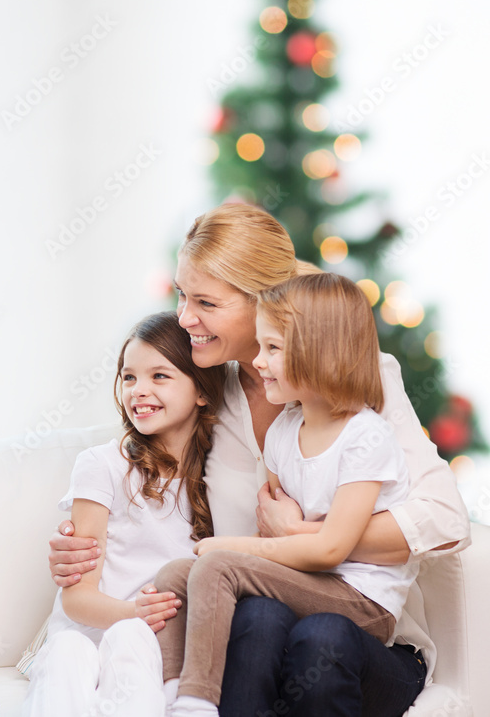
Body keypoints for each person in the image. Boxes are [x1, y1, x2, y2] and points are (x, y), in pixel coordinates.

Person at [48, 203, 470, 717]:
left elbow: (447, 521)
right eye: (182, 295)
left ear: (266, 300)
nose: (185, 318)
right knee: (259, 619)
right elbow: (136, 469)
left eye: (205, 301)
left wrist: (305, 535)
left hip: (359, 642)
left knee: (319, 635)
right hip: (253, 636)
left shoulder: (356, 381)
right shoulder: (205, 392)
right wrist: (84, 548)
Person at [155, 273, 418, 717]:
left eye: (272, 349)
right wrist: (230, 552)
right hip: (309, 585)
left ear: (320, 351)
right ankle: (168, 689)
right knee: (175, 575)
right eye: (260, 346)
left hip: (361, 599)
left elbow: (330, 548)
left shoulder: (364, 437)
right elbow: (273, 540)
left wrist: (223, 549)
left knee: (215, 565)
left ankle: (196, 703)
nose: (257, 361)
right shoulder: (284, 431)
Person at [22, 313, 226, 717]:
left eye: (159, 376)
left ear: (202, 391)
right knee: (69, 651)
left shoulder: (220, 476)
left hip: (152, 644)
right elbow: (77, 598)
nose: (139, 390)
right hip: (89, 633)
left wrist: (141, 623)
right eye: (129, 377)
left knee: (134, 642)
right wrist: (135, 613)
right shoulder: (102, 465)